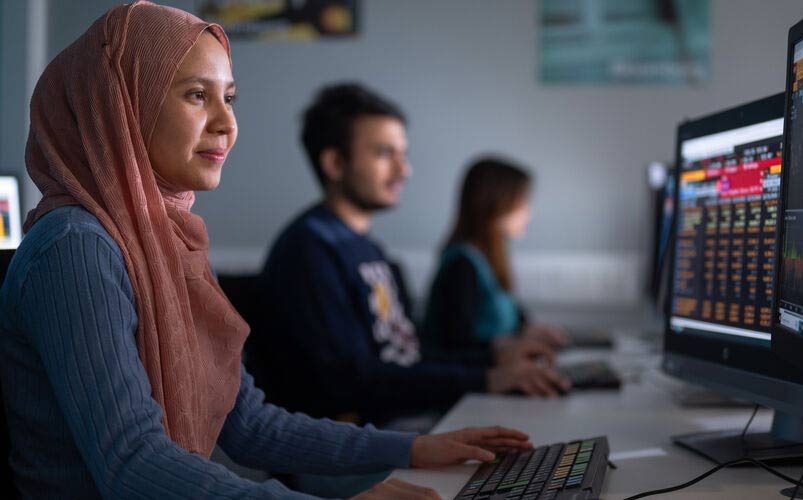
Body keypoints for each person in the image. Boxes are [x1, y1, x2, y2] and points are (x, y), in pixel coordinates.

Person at [0, 3, 532, 498]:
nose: (227, 123)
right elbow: (131, 463)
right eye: (195, 94)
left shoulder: (163, 242)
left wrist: (414, 447)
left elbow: (250, 423)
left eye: (228, 98)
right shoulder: (75, 248)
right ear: (121, 106)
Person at [255, 83, 569, 428]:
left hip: (395, 424)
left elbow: (407, 357)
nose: (404, 170)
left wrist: (494, 359)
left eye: (403, 155)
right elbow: (352, 382)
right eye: (384, 154)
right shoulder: (309, 253)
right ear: (334, 162)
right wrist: (485, 378)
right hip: (349, 444)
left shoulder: (367, 250)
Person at [422, 158, 567, 366]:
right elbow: (455, 344)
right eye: (523, 201)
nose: (529, 212)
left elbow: (512, 315)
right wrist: (508, 346)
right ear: (497, 202)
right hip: (469, 390)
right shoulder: (462, 265)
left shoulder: (486, 260)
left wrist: (529, 330)